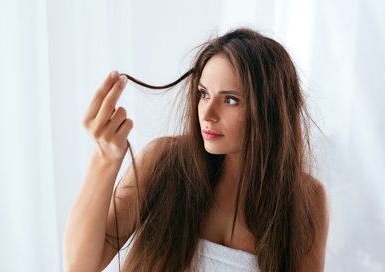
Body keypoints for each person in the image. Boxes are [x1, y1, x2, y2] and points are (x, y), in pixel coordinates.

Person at [63, 28, 329, 272]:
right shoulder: (163, 162)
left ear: (270, 109)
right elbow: (80, 266)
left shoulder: (304, 199)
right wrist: (105, 158)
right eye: (203, 94)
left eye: (231, 100)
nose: (208, 113)